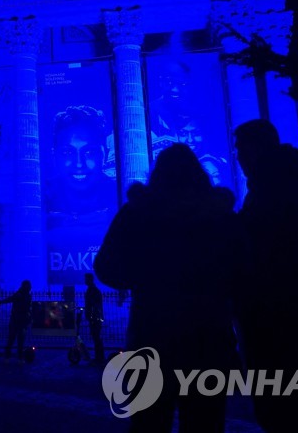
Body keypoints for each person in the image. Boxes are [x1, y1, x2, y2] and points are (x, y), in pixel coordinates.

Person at [95, 142, 240, 433]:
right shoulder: (220, 215)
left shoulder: (137, 213)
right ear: (199, 174)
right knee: (206, 424)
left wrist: (141, 277)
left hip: (152, 332)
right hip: (208, 335)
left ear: (158, 174)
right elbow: (244, 268)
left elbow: (105, 266)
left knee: (148, 423)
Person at [232, 119, 298, 433]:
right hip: (287, 304)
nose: (238, 156)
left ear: (257, 148)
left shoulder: (273, 191)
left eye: (241, 148)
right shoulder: (287, 186)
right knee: (296, 396)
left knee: (284, 402)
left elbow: (254, 247)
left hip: (275, 310)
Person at [45, 105, 118, 230]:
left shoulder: (121, 196)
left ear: (105, 154)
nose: (79, 164)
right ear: (54, 156)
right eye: (68, 152)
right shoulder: (37, 199)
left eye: (89, 152)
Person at [0, 280, 32, 361]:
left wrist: (1, 302)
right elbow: (28, 308)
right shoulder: (25, 296)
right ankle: (16, 355)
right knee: (19, 339)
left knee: (13, 338)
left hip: (17, 319)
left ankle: (9, 354)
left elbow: (10, 299)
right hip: (21, 320)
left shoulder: (20, 294)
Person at [84, 272, 105, 364]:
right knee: (96, 336)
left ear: (89, 280)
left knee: (96, 336)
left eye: (86, 279)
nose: (85, 281)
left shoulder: (92, 290)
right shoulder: (93, 290)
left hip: (94, 317)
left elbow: (93, 305)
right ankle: (99, 356)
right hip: (95, 317)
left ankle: (99, 357)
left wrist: (90, 315)